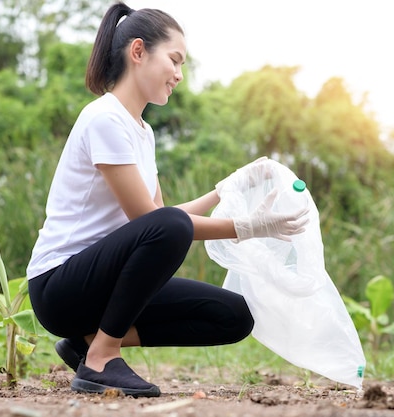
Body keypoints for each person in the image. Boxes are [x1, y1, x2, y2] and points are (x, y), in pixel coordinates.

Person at [26, 1, 309, 398]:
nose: (178, 75)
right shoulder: (104, 118)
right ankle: (101, 359)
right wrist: (247, 228)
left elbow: (157, 219)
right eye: (174, 61)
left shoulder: (143, 132)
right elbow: (156, 223)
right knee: (170, 227)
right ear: (138, 52)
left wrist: (223, 190)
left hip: (104, 285)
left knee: (234, 316)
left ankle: (87, 344)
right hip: (60, 286)